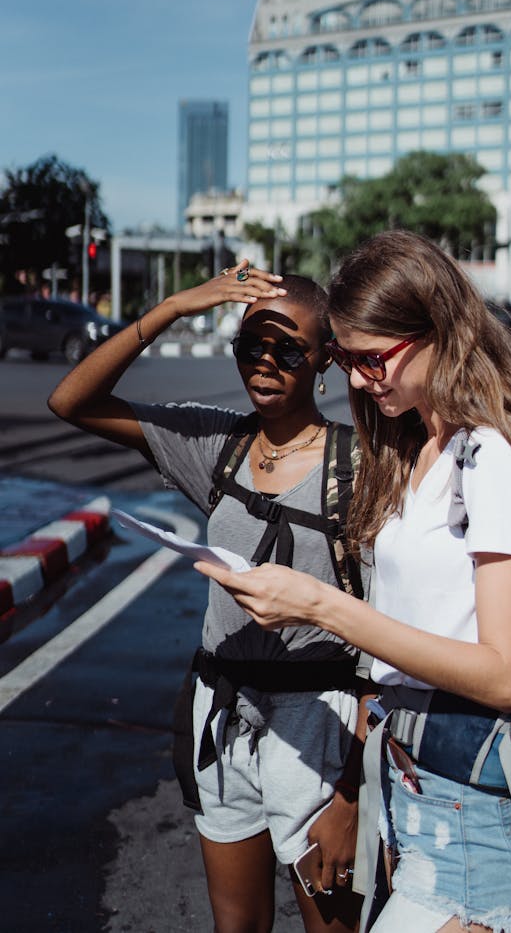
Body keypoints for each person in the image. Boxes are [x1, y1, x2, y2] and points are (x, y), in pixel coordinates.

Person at [194, 231, 511, 933]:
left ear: (439, 330)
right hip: (418, 798)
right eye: (346, 358)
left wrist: (322, 605)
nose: (358, 378)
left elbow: (506, 675)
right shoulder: (421, 444)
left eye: (374, 358)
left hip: (474, 821)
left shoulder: (495, 453)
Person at [48, 262, 370, 933]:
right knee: (236, 926)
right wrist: (172, 307)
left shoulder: (358, 466)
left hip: (319, 722)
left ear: (324, 361)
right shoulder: (215, 444)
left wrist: (352, 796)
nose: (267, 362)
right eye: (252, 345)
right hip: (221, 715)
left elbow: (387, 637)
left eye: (288, 350)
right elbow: (72, 401)